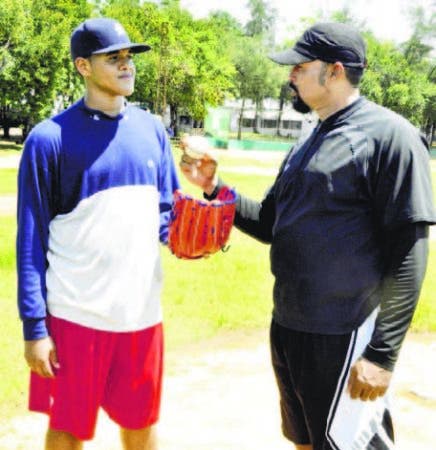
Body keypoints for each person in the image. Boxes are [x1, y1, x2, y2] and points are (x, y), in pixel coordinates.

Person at [180, 22, 436, 450]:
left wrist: (382, 354)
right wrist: (215, 188)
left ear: (334, 71)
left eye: (300, 67)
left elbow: (410, 251)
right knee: (305, 442)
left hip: (344, 332)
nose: (290, 76)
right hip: (290, 326)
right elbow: (269, 222)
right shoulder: (309, 139)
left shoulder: (390, 137)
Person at [16, 18, 180, 450]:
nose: (127, 65)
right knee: (67, 429)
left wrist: (190, 233)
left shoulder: (151, 131)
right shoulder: (49, 139)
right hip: (75, 316)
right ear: (83, 66)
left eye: (129, 56)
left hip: (141, 314)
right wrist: (35, 328)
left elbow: (167, 215)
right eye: (114, 57)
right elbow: (30, 241)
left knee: (141, 424)